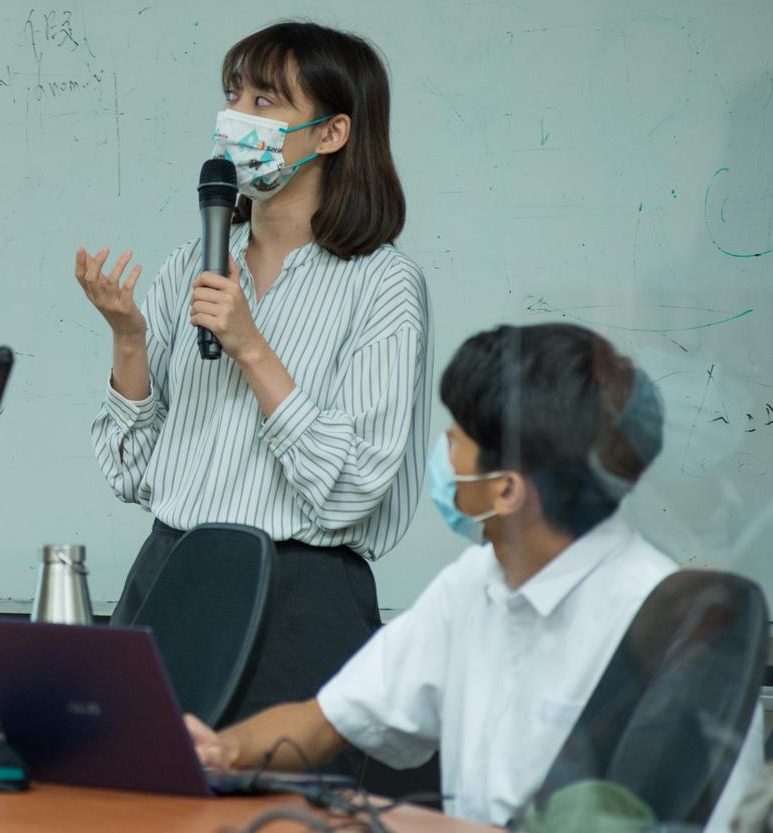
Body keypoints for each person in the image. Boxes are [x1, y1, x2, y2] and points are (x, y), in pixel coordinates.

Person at [185, 322, 763, 829]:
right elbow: (327, 721)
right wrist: (219, 751)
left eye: (455, 440)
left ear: (506, 490)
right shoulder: (474, 583)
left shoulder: (667, 626)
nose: (442, 455)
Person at [74, 21, 430, 736]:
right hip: (168, 574)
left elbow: (352, 485)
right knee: (127, 787)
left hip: (297, 598)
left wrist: (251, 347)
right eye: (233, 94)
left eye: (264, 101)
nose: (235, 116)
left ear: (330, 133)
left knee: (274, 796)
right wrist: (129, 341)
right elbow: (131, 471)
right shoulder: (194, 262)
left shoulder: (382, 283)